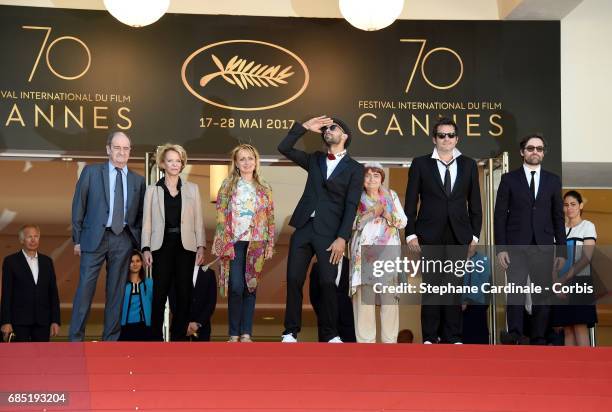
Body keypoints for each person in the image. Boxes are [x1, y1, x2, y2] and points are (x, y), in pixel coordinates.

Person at [278, 115, 364, 343]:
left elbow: (351, 205)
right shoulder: (315, 159)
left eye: (332, 128)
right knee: (294, 279)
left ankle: (330, 333)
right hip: (304, 227)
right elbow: (284, 147)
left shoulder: (355, 169)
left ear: (344, 136)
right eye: (325, 129)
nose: (327, 130)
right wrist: (304, 127)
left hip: (330, 234)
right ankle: (290, 332)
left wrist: (342, 238)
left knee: (328, 283)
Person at [404, 117, 482, 344]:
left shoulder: (468, 164)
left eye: (450, 135)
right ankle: (429, 336)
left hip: (460, 235)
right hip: (428, 235)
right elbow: (410, 202)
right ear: (434, 138)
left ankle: (453, 336)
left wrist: (474, 236)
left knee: (453, 286)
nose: (446, 139)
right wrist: (411, 233)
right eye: (441, 135)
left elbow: (475, 204)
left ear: (457, 138)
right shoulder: (420, 163)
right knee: (431, 285)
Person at [70, 131, 146, 341]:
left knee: (116, 292)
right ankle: (75, 339)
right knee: (85, 288)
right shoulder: (91, 172)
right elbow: (79, 206)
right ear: (108, 149)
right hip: (94, 237)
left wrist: (135, 240)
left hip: (122, 239)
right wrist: (77, 239)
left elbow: (140, 214)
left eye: (126, 148)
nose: (121, 152)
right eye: (117, 147)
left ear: (130, 151)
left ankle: (110, 341)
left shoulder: (138, 181)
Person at [494, 134, 566, 345]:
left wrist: (561, 250)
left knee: (542, 294)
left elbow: (557, 216)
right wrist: (501, 248)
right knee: (515, 291)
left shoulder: (553, 180)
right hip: (516, 246)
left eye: (539, 149)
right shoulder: (509, 179)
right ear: (522, 152)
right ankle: (515, 334)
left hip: (543, 247)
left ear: (543, 152)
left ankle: (539, 336)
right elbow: (500, 216)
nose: (535, 152)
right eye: (531, 148)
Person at [141, 143, 205, 341]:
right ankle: (155, 339)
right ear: (163, 163)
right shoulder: (152, 190)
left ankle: (179, 339)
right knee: (160, 293)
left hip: (186, 246)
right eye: (170, 161)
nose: (175, 164)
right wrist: (145, 248)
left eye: (178, 161)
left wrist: (201, 245)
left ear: (182, 164)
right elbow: (147, 222)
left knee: (184, 293)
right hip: (161, 246)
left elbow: (199, 220)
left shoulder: (192, 189)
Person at [212, 144, 275, 342]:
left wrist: (270, 244)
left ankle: (246, 332)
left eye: (250, 158)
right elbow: (221, 215)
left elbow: (270, 217)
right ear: (236, 163)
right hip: (234, 242)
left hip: (257, 242)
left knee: (251, 286)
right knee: (236, 286)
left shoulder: (264, 188)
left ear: (256, 162)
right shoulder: (228, 186)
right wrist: (223, 242)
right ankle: (233, 333)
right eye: (242, 159)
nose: (247, 162)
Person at [349, 162, 407, 343]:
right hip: (364, 254)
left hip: (387, 253)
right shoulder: (355, 197)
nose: (372, 179)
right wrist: (372, 213)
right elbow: (351, 224)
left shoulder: (391, 196)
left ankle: (390, 344)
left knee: (389, 299)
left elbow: (402, 222)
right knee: (364, 300)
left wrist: (386, 214)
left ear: (382, 177)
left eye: (376, 175)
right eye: (367, 175)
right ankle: (366, 344)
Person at [551, 190, 597, 346]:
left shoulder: (587, 226)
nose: (569, 208)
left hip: (580, 282)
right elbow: (553, 262)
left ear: (580, 206)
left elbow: (586, 258)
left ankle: (587, 369)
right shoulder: (558, 230)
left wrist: (564, 280)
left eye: (573, 204)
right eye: (566, 205)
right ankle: (569, 369)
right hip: (561, 285)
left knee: (579, 326)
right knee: (567, 329)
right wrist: (556, 284)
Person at [1, 225, 60, 342]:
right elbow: (6, 293)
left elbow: (53, 293)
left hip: (43, 321)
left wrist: (55, 320)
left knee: (41, 358)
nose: (33, 240)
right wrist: (5, 321)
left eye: (36, 236)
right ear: (22, 240)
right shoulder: (11, 261)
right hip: (18, 321)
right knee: (19, 357)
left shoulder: (47, 262)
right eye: (29, 237)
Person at [119, 250, 153, 341]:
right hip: (125, 327)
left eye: (137, 261)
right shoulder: (122, 285)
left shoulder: (149, 283)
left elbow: (153, 303)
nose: (135, 264)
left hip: (144, 327)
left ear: (142, 263)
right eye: (132, 261)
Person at [186, 264, 218, 342]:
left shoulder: (209, 273)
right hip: (180, 328)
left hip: (203, 328)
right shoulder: (177, 271)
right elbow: (173, 299)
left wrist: (198, 323)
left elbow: (211, 302)